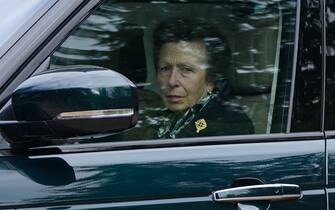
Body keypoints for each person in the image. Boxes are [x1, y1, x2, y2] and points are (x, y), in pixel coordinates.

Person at [153, 17, 254, 139]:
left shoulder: (228, 127)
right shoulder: (156, 117)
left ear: (211, 77)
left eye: (186, 70)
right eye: (165, 69)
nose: (171, 81)